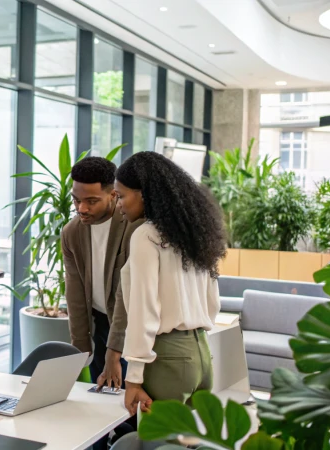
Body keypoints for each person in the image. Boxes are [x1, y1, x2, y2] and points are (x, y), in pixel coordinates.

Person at [114, 152, 224, 416]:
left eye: (121, 195)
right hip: (202, 356)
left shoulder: (146, 236)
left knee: (159, 445)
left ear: (143, 194)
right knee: (188, 442)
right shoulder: (193, 234)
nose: (118, 204)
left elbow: (144, 310)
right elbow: (213, 304)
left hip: (166, 359)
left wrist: (134, 377)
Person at [62, 157, 141, 450]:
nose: (82, 208)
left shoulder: (133, 227)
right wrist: (80, 345)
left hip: (135, 326)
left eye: (92, 201)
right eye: (77, 200)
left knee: (131, 405)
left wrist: (114, 352)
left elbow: (127, 294)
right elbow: (75, 293)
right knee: (100, 405)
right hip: (101, 323)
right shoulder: (72, 233)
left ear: (114, 194)